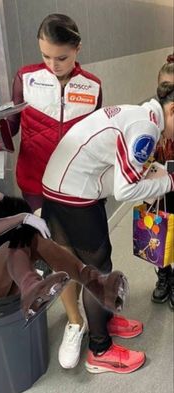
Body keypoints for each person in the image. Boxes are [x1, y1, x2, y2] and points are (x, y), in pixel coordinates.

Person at [41, 81, 174, 373]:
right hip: (73, 198)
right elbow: (125, 192)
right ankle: (99, 351)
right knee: (98, 272)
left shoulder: (141, 115)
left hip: (61, 189)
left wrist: (153, 174)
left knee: (97, 264)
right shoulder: (147, 130)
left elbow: (120, 171)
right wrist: (170, 181)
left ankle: (106, 320)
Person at [0, 143, 128, 323]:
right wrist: (22, 217)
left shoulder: (0, 198)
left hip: (6, 280)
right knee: (20, 234)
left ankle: (97, 285)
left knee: (30, 236)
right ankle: (32, 289)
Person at [0, 13, 102, 212]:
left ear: (77, 49)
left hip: (76, 182)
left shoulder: (93, 86)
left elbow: (97, 136)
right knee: (44, 239)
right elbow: (11, 127)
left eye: (61, 58)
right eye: (45, 56)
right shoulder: (26, 78)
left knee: (72, 242)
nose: (53, 65)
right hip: (34, 182)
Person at [151, 54, 174, 309]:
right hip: (156, 189)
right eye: (164, 88)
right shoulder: (152, 117)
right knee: (158, 232)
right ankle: (163, 276)